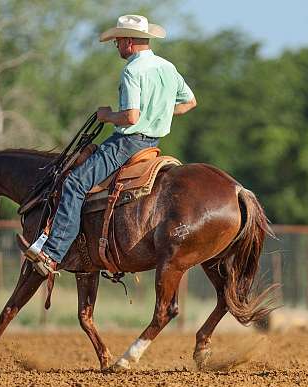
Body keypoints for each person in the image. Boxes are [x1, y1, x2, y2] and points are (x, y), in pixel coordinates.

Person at [27, 14, 197, 271]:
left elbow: (131, 117)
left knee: (74, 183)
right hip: (153, 142)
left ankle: (52, 253)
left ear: (129, 42)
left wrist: (106, 116)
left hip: (127, 144)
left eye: (117, 41)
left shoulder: (132, 70)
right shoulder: (167, 67)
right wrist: (158, 112)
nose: (116, 46)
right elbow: (189, 103)